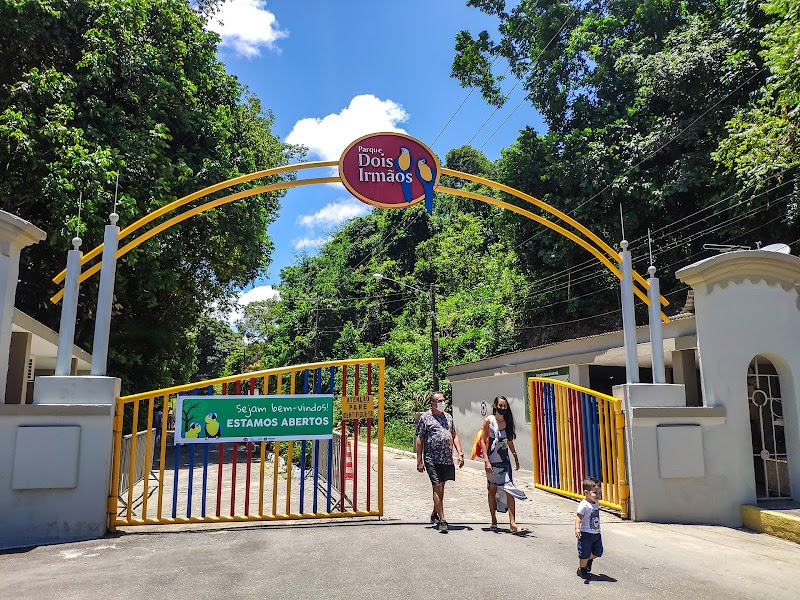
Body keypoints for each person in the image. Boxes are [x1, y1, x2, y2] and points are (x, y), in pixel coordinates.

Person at [415, 391, 465, 533]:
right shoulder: (425, 418)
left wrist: (460, 453)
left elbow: (454, 435)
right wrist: (419, 460)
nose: (443, 403)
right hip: (432, 458)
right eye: (440, 401)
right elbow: (420, 439)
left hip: (446, 458)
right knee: (437, 486)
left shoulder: (448, 417)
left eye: (444, 400)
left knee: (441, 487)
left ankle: (434, 513)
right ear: (433, 403)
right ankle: (442, 519)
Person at [480, 395, 528, 534]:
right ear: (495, 406)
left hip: (505, 462)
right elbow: (483, 441)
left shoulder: (508, 422)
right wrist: (486, 461)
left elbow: (509, 441)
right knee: (492, 490)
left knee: (509, 489)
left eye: (505, 406)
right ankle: (494, 520)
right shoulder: (489, 421)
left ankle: (512, 523)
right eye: (500, 405)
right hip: (492, 462)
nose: (502, 408)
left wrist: (515, 457)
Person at [575, 476, 603, 579]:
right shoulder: (584, 505)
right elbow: (578, 517)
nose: (598, 495)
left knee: (598, 552)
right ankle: (582, 570)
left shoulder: (596, 503)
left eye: (599, 493)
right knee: (584, 553)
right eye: (595, 493)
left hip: (596, 533)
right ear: (586, 493)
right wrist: (577, 529)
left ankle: (588, 561)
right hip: (586, 534)